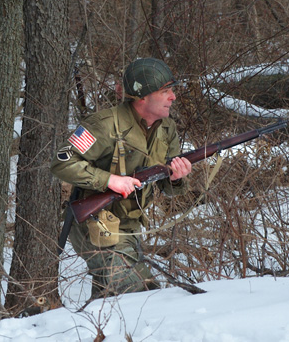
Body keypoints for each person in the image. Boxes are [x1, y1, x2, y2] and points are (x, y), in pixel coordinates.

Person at [50, 58, 191, 296]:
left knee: (111, 301)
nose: (173, 97)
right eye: (165, 91)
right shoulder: (103, 125)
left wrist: (177, 177)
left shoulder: (167, 129)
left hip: (128, 227)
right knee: (142, 294)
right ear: (142, 97)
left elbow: (170, 188)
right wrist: (109, 180)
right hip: (95, 225)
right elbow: (62, 162)